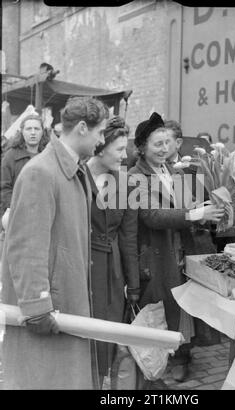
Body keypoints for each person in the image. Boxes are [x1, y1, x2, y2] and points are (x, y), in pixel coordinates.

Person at [1, 96, 108, 389]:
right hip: (51, 310)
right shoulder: (41, 172)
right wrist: (37, 307)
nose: (102, 140)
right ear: (83, 128)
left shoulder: (75, 169)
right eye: (100, 132)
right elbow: (25, 247)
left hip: (66, 303)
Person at [128, 112, 224, 388]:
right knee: (159, 311)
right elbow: (151, 216)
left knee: (182, 308)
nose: (163, 148)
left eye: (167, 142)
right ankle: (153, 370)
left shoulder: (174, 172)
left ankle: (181, 358)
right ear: (142, 147)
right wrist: (193, 214)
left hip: (180, 249)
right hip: (155, 255)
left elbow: (185, 206)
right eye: (157, 143)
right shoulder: (134, 176)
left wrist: (204, 213)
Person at [86, 116, 140, 388]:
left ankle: (101, 382)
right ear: (100, 146)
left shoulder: (126, 183)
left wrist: (133, 286)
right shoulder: (78, 177)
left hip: (113, 271)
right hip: (83, 267)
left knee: (106, 338)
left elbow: (129, 237)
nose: (125, 155)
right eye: (119, 149)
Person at [0, 114, 49, 218]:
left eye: (36, 129)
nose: (33, 133)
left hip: (43, 213)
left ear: (42, 132)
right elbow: (4, 187)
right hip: (16, 214)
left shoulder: (48, 155)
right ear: (22, 132)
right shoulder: (11, 156)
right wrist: (14, 208)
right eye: (28, 129)